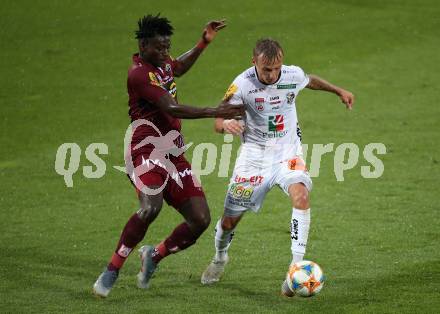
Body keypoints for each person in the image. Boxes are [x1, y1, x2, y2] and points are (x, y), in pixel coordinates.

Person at [93, 14, 243, 298]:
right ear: (144, 44)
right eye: (160, 48)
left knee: (200, 219)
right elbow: (171, 108)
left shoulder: (161, 64)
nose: (166, 53)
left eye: (167, 47)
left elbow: (178, 67)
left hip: (173, 152)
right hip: (145, 150)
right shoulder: (139, 74)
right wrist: (215, 111)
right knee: (151, 207)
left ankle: (154, 256)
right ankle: (112, 268)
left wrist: (202, 43)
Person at [200, 38, 354, 296]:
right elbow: (217, 119)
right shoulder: (242, 85)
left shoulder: (291, 75)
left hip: (288, 154)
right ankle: (219, 257)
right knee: (228, 222)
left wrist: (339, 91)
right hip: (253, 159)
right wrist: (226, 125)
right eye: (266, 70)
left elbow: (310, 79)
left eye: (276, 69)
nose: (272, 75)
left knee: (301, 196)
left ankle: (295, 267)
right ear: (254, 63)